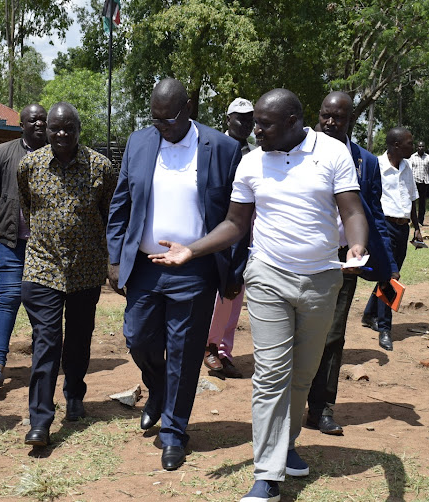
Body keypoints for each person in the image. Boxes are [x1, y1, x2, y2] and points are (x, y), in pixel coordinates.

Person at [147, 88, 368, 502]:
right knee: (270, 375)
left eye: (264, 124)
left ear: (292, 122)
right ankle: (267, 474)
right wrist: (192, 248)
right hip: (267, 276)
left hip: (321, 279)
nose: (256, 130)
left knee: (302, 374)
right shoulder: (251, 162)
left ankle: (286, 445)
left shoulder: (332, 153)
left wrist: (355, 246)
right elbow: (235, 223)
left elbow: (352, 210)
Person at [107, 79, 244, 471]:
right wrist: (114, 259)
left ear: (189, 109)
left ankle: (174, 433)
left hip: (195, 270)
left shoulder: (222, 148)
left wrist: (233, 270)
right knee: (137, 338)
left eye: (169, 119)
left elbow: (236, 219)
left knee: (184, 354)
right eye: (156, 119)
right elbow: (121, 204)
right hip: (146, 267)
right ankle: (157, 390)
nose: (161, 127)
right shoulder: (139, 142)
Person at [17, 102, 116, 447]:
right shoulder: (30, 165)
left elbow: (109, 215)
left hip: (85, 270)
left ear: (78, 130)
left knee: (78, 339)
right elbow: (27, 207)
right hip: (42, 266)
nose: (61, 134)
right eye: (54, 128)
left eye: (68, 128)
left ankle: (75, 394)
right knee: (46, 341)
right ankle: (40, 420)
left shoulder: (100, 167)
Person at [306, 91, 397, 435]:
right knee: (298, 335)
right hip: (302, 257)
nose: (330, 122)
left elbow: (373, 213)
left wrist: (386, 264)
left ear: (350, 121)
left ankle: (321, 409)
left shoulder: (365, 162)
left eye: (338, 118)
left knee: (332, 336)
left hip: (345, 260)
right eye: (325, 115)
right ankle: (287, 403)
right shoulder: (300, 151)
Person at [0, 104, 48, 386]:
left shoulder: (56, 152)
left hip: (45, 248)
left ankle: (42, 363)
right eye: (33, 120)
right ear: (22, 125)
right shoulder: (2, 153)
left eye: (43, 119)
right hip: (10, 243)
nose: (40, 124)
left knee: (42, 306)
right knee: (8, 300)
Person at [203, 97, 255, 378]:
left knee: (237, 292)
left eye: (250, 119)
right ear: (228, 119)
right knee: (220, 294)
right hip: (222, 230)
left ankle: (224, 349)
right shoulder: (215, 148)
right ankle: (209, 346)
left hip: (248, 232)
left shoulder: (255, 153)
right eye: (240, 118)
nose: (245, 124)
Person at [361, 127, 421, 351]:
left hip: (402, 228)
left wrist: (416, 227)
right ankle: (385, 328)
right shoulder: (376, 166)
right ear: (396, 145)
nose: (412, 147)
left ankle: (369, 314)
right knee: (391, 276)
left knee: (388, 274)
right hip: (383, 227)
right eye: (409, 143)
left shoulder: (407, 167)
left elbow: (412, 197)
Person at [409, 141, 429, 225]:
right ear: (417, 147)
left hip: (424, 183)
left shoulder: (428, 158)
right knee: (412, 202)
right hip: (414, 182)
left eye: (422, 146)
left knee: (422, 203)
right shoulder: (412, 157)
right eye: (419, 146)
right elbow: (409, 170)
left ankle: (420, 221)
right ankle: (412, 220)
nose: (421, 148)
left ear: (425, 147)